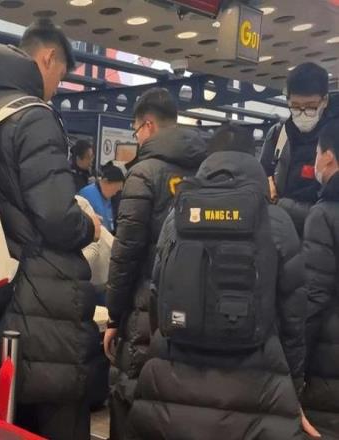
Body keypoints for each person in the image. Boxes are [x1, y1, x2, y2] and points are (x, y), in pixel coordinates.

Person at [126, 125, 313, 440]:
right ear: (253, 159)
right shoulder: (276, 222)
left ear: (209, 162)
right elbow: (294, 320)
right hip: (256, 387)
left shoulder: (177, 217)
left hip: (175, 383)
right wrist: (292, 390)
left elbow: (157, 296)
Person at [0, 19, 102, 440]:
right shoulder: (34, 117)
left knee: (2, 421)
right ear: (48, 57)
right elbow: (57, 217)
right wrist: (90, 227)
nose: (56, 89)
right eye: (59, 77)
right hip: (42, 298)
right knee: (60, 415)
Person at [103, 87, 207, 439]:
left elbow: (126, 253)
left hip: (144, 312)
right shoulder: (206, 171)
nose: (137, 138)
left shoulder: (144, 173)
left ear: (148, 125)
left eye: (136, 130)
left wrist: (113, 317)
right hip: (194, 311)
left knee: (131, 394)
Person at [260, 62, 339, 235]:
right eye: (295, 106)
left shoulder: (334, 137)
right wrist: (266, 185)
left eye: (311, 106)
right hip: (281, 234)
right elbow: (263, 174)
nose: (302, 112)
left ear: (325, 100)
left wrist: (280, 206)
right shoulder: (278, 134)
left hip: (325, 236)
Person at [301, 122, 339, 437]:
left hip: (329, 360)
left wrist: (293, 370)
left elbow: (314, 296)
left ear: (328, 156)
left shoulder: (324, 215)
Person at [79, 161, 125, 233]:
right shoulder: (86, 194)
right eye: (115, 189)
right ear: (105, 181)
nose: (115, 193)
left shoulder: (113, 199)